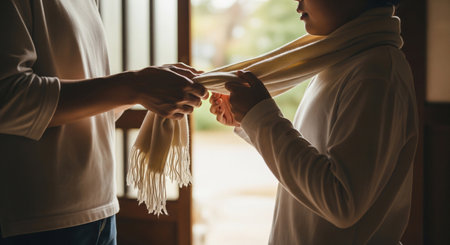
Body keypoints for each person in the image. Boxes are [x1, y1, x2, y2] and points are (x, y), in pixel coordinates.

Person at [210, 0, 418, 244]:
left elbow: (342, 201)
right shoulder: (343, 60)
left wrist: (261, 117)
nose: (297, 3)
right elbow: (313, 162)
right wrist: (248, 120)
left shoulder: (376, 72)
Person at [0, 0, 207, 244]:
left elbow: (93, 105)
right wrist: (135, 86)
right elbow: (8, 97)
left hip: (101, 210)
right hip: (36, 219)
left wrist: (144, 88)